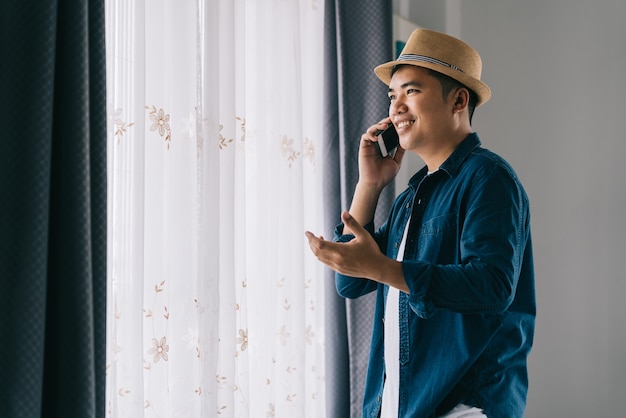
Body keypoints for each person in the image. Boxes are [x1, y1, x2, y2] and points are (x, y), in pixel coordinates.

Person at [305, 28, 535, 417]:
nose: (396, 107)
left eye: (411, 91)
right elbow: (350, 280)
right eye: (392, 96)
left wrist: (383, 268)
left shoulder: (488, 177)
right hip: (404, 404)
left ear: (458, 99)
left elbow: (492, 286)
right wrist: (370, 184)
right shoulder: (412, 196)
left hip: (464, 407)